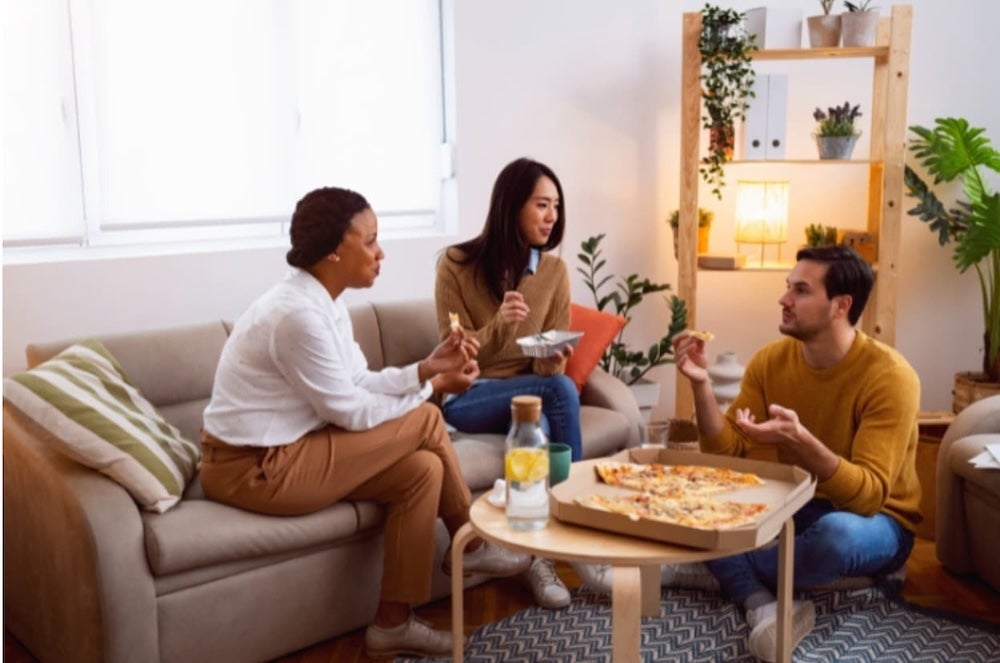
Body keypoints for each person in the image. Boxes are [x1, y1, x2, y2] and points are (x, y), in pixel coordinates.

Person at [200, 186, 531, 660]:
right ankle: (473, 543)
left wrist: (426, 368)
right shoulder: (297, 316)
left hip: (290, 449)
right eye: (371, 240)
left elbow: (359, 381)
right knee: (425, 419)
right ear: (334, 250)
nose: (381, 252)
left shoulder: (326, 302)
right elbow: (351, 412)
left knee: (423, 471)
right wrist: (433, 388)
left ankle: (392, 625)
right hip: (252, 468)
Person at [669, 245, 921, 662]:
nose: (784, 299)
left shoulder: (891, 377)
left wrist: (801, 444)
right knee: (692, 496)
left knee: (837, 537)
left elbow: (869, 496)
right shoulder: (771, 360)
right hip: (793, 506)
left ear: (841, 305)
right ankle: (760, 602)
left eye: (801, 290)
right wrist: (701, 385)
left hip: (876, 521)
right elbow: (727, 450)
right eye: (788, 287)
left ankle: (715, 569)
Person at [434, 157, 581, 610]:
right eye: (541, 204)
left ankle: (537, 557)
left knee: (543, 426)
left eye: (556, 205)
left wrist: (551, 361)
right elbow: (455, 352)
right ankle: (579, 525)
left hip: (530, 392)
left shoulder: (554, 272)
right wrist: (500, 325)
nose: (552, 216)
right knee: (560, 393)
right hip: (469, 395)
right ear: (512, 205)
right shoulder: (455, 265)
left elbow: (547, 364)